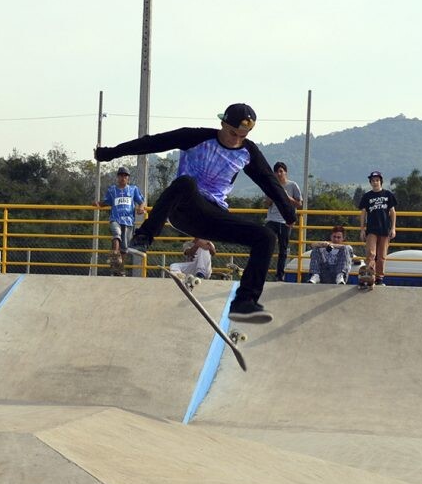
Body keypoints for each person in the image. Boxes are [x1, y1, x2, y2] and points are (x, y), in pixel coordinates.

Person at [94, 103, 297, 322]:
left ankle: (244, 303)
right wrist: (110, 153)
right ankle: (143, 237)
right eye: (232, 133)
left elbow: (269, 182)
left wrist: (289, 214)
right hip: (185, 208)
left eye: (242, 136)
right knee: (186, 182)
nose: (236, 140)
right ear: (222, 123)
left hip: (214, 216)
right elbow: (153, 142)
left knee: (266, 237)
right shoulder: (196, 137)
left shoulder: (248, 152)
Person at [94, 166, 145, 274]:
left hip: (128, 221)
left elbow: (141, 201)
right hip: (115, 218)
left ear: (128, 178)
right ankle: (115, 259)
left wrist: (141, 207)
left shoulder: (133, 189)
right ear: (117, 177)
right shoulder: (112, 190)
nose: (123, 178)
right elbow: (106, 202)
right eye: (121, 175)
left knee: (125, 248)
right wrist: (98, 204)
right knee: (116, 235)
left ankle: (119, 269)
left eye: (125, 176)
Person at [265, 161, 302, 281]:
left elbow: (299, 204)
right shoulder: (271, 185)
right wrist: (271, 196)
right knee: (266, 244)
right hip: (272, 219)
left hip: (285, 221)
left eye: (281, 171)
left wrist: (288, 197)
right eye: (276, 172)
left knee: (283, 249)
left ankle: (279, 275)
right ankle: (262, 273)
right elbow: (266, 204)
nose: (279, 174)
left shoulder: (293, 185)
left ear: (285, 172)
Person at [359, 170, 397, 286]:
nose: (375, 183)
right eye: (373, 181)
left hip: (385, 229)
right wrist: (362, 229)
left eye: (377, 180)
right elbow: (363, 213)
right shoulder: (367, 196)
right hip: (371, 229)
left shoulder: (388, 195)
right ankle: (369, 276)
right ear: (370, 183)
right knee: (371, 254)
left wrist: (393, 228)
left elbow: (392, 212)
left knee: (381, 256)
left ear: (381, 181)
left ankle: (379, 278)